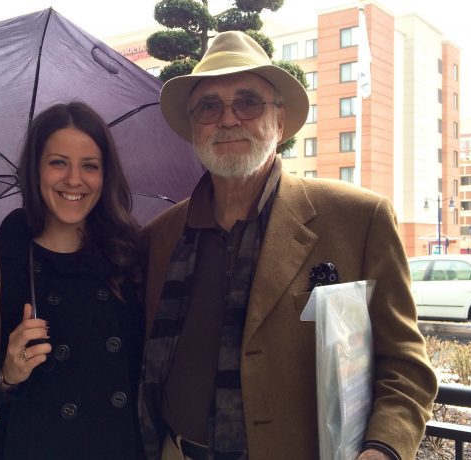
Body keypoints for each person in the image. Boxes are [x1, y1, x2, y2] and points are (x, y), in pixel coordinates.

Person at [138, 31, 438, 460]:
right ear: (192, 129)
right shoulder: (159, 236)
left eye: (248, 101)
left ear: (279, 123)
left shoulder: (357, 220)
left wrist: (384, 448)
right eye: (209, 106)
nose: (227, 119)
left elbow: (405, 366)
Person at [0, 102, 145, 459]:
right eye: (58, 163)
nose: (74, 179)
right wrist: (4, 372)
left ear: (105, 174)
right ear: (35, 170)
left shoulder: (130, 257)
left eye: (90, 166)